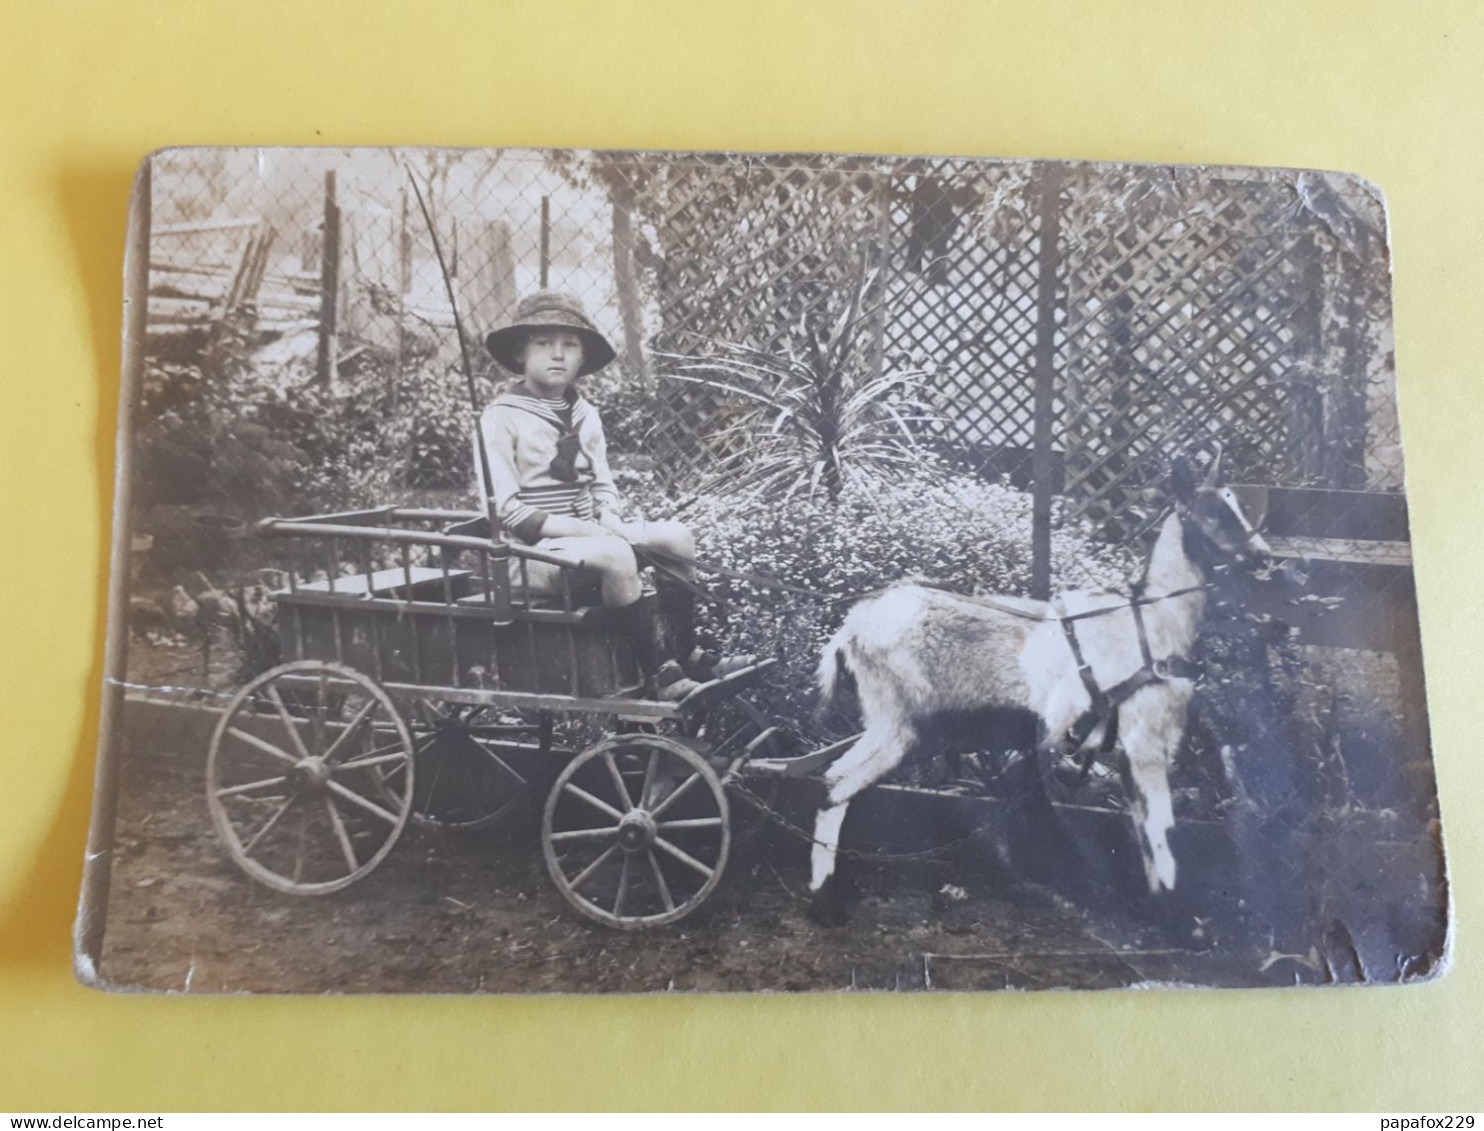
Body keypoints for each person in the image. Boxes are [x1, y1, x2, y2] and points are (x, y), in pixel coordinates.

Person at [477, 290, 743, 701]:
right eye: (543, 343)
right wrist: (587, 531)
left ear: (583, 357)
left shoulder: (586, 415)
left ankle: (684, 650)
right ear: (520, 352)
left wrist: (611, 519)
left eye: (570, 345)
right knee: (616, 555)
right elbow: (507, 510)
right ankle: (661, 675)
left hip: (585, 543)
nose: (557, 355)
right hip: (526, 558)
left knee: (676, 537)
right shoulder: (500, 418)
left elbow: (602, 484)